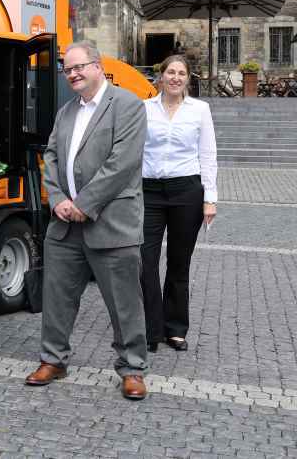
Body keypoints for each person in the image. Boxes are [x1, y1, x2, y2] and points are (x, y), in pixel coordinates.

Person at [24, 40, 150, 400]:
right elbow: (50, 156)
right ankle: (54, 359)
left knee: (124, 302)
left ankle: (132, 368)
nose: (74, 74)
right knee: (58, 297)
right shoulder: (66, 111)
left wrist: (85, 203)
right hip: (65, 224)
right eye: (68, 69)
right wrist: (59, 200)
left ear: (98, 66)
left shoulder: (127, 105)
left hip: (112, 223)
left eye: (80, 67)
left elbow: (123, 162)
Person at [141, 55, 217, 353]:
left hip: (186, 190)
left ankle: (175, 329)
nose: (175, 77)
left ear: (188, 78)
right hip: (149, 192)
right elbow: (135, 151)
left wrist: (210, 198)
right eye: (170, 72)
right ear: (160, 77)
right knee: (144, 262)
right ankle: (151, 328)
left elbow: (208, 155)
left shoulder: (200, 110)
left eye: (181, 73)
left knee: (178, 263)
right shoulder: (144, 108)